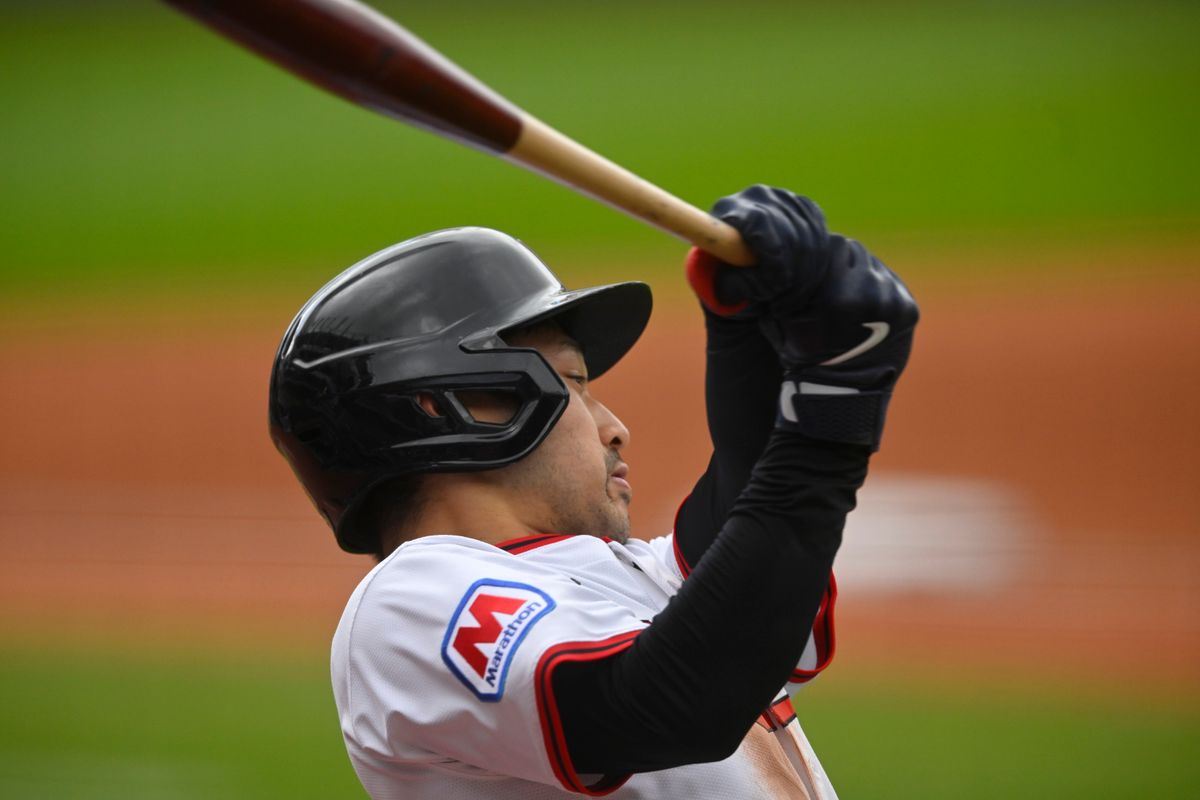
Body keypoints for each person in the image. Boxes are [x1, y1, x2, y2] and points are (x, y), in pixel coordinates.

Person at [268, 185, 918, 799]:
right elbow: (672, 703)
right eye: (576, 383)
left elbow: (756, 565)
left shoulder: (621, 580)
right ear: (459, 405)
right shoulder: (406, 607)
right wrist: (828, 421)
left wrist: (748, 328)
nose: (615, 428)